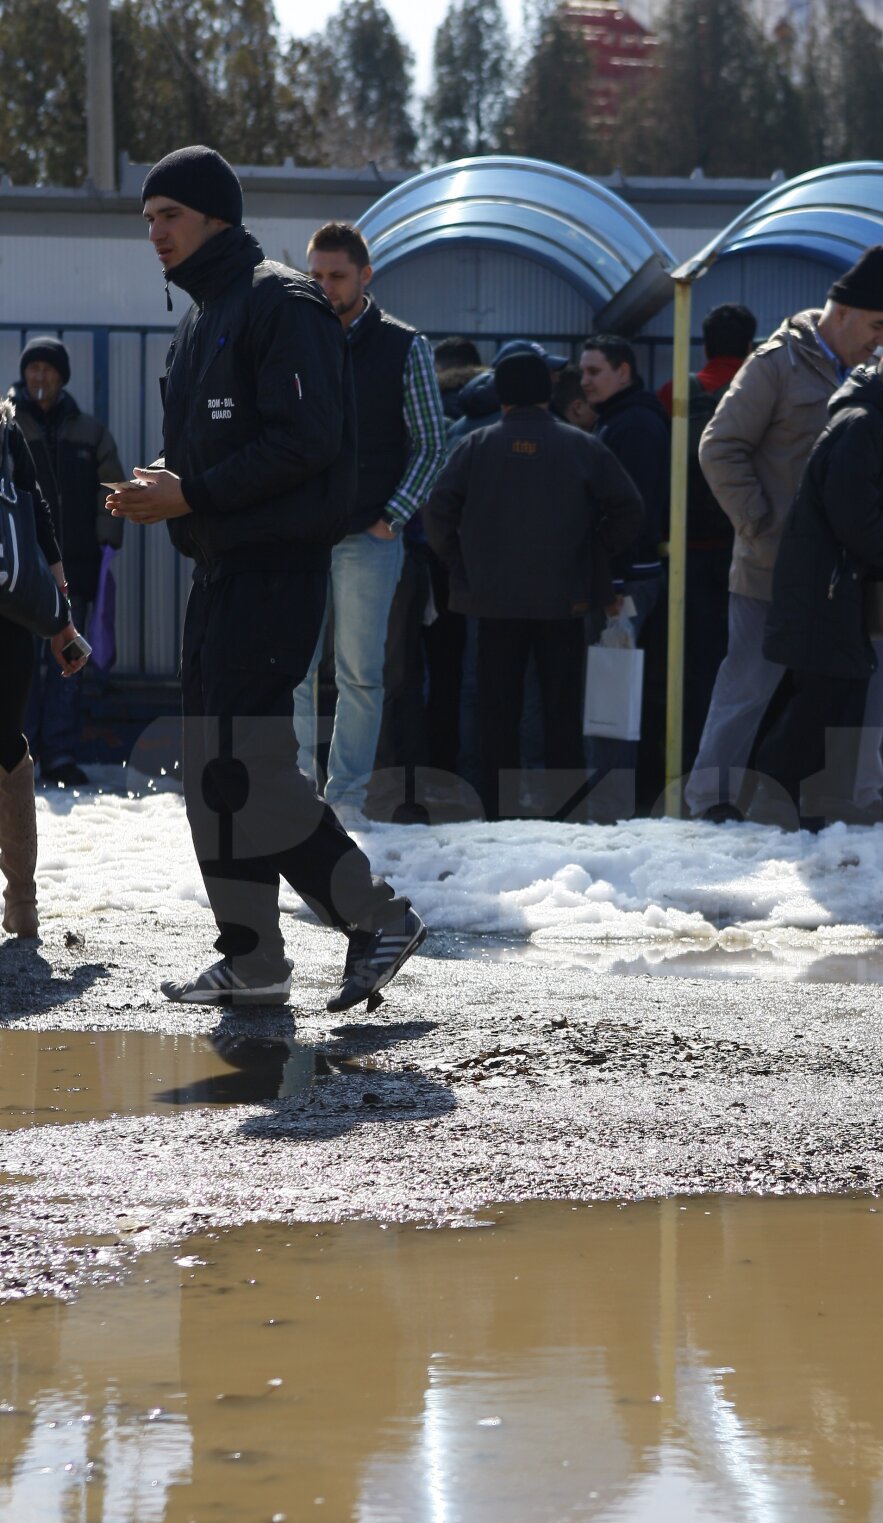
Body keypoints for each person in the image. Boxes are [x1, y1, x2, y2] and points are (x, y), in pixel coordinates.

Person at [108, 144, 425, 1009]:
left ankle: (377, 916)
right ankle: (252, 957)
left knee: (249, 768)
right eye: (148, 219)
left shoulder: (280, 302)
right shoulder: (201, 317)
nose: (155, 234)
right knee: (211, 772)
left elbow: (306, 441)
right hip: (219, 571)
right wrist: (162, 486)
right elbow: (217, 449)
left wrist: (194, 491)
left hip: (277, 572)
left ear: (216, 217)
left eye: (169, 215)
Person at [685, 246, 883, 822]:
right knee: (749, 682)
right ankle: (710, 802)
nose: (881, 339)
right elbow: (719, 446)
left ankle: (861, 800)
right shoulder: (775, 363)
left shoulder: (868, 372)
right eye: (877, 326)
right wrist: (757, 524)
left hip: (851, 564)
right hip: (773, 561)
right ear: (845, 312)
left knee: (877, 675)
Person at [424, 342, 643, 822]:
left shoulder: (474, 447)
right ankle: (565, 812)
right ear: (547, 393)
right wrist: (593, 557)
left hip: (492, 601)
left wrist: (463, 567)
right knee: (561, 711)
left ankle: (497, 812)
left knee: (495, 710)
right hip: (564, 599)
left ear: (500, 395)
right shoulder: (582, 445)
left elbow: (437, 514)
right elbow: (630, 511)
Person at [760, 348, 883, 827]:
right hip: (825, 593)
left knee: (840, 701)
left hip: (838, 592)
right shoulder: (863, 429)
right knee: (819, 706)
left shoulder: (874, 428)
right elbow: (856, 523)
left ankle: (825, 804)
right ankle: (773, 803)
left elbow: (871, 510)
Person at [292, 221, 445, 822]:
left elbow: (433, 443)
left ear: (365, 276)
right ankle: (299, 792)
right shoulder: (293, 335)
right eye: (316, 274)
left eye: (336, 276)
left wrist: (392, 518)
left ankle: (347, 799)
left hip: (368, 537)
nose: (324, 286)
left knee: (360, 674)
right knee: (294, 672)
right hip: (301, 535)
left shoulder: (405, 345)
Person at [9, 337, 125, 788]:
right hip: (19, 573)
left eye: (49, 369)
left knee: (68, 661)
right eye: (33, 368)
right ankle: (21, 753)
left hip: (75, 566)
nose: (40, 377)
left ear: (62, 377)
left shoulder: (90, 432)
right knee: (20, 661)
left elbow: (111, 486)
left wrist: (107, 543)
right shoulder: (7, 426)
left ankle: (59, 753)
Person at [657, 303, 757, 775]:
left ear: (705, 343)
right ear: (753, 345)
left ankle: (690, 763)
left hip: (687, 555)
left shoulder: (675, 394)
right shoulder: (761, 391)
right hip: (752, 549)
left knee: (693, 667)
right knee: (751, 665)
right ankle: (745, 766)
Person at [0, 396, 86, 937]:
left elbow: (36, 514)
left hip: (8, 613)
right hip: (9, 610)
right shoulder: (5, 429)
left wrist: (63, 620)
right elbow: (37, 515)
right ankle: (22, 903)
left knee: (6, 747)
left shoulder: (6, 429)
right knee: (6, 746)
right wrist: (62, 621)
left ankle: (23, 899)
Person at [579, 334, 671, 811]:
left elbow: (628, 510)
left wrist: (612, 582)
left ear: (624, 372)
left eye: (595, 371)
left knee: (612, 692)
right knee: (619, 688)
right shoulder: (624, 420)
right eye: (583, 372)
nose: (585, 381)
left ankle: (611, 805)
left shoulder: (631, 426)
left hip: (626, 582)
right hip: (631, 576)